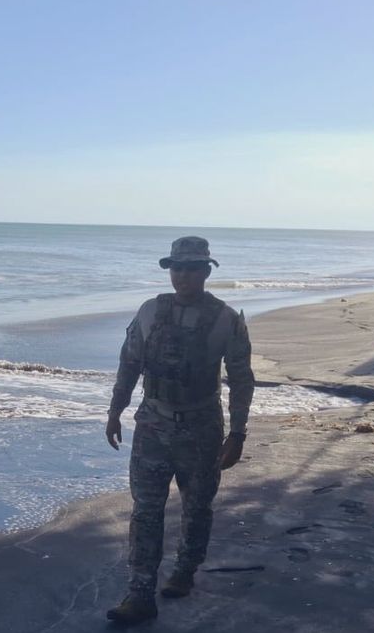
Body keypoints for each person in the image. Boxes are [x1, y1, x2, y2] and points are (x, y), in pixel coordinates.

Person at [104, 237, 254, 625]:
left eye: (191, 268)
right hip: (153, 425)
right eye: (176, 268)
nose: (182, 276)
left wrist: (237, 433)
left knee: (196, 507)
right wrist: (115, 410)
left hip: (202, 430)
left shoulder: (226, 319)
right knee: (146, 511)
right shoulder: (151, 311)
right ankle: (139, 595)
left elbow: (241, 379)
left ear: (206, 272)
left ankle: (185, 569)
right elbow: (129, 364)